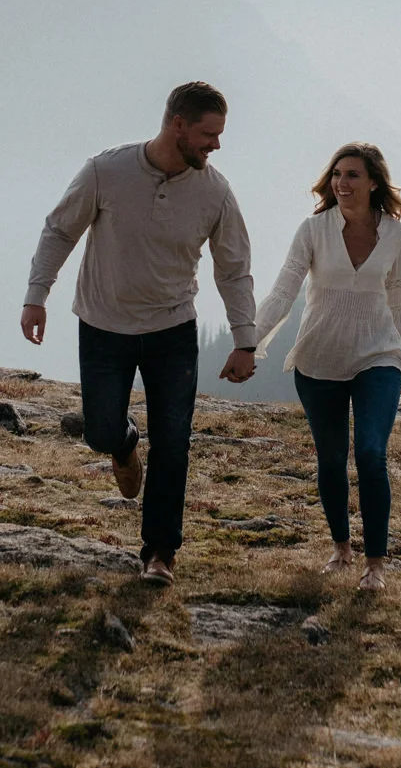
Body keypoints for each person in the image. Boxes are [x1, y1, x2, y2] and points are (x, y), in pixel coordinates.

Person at [22, 81, 258, 585]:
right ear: (177, 124)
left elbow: (233, 268)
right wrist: (36, 295)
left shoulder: (215, 190)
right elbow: (61, 230)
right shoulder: (106, 170)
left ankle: (160, 554)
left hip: (173, 328)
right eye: (208, 134)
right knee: (101, 431)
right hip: (104, 325)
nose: (215, 145)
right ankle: (124, 443)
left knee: (174, 441)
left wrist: (244, 338)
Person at [250, 141, 401, 593]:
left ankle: (376, 565)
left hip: (378, 353)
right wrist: (251, 342)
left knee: (370, 453)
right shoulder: (313, 230)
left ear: (374, 182)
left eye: (353, 175)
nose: (342, 183)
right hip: (319, 356)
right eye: (337, 175)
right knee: (331, 457)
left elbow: (399, 295)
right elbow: (285, 290)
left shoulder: (397, 234)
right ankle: (341, 549)